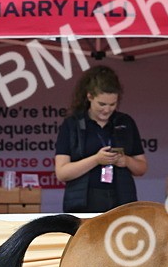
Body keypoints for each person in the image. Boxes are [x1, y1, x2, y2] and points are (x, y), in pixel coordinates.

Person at [54, 66, 148, 213]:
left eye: (112, 104)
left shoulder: (125, 122)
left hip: (121, 199)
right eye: (102, 104)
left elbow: (142, 168)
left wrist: (126, 161)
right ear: (90, 97)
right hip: (83, 202)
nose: (107, 110)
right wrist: (96, 160)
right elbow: (62, 173)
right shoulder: (72, 124)